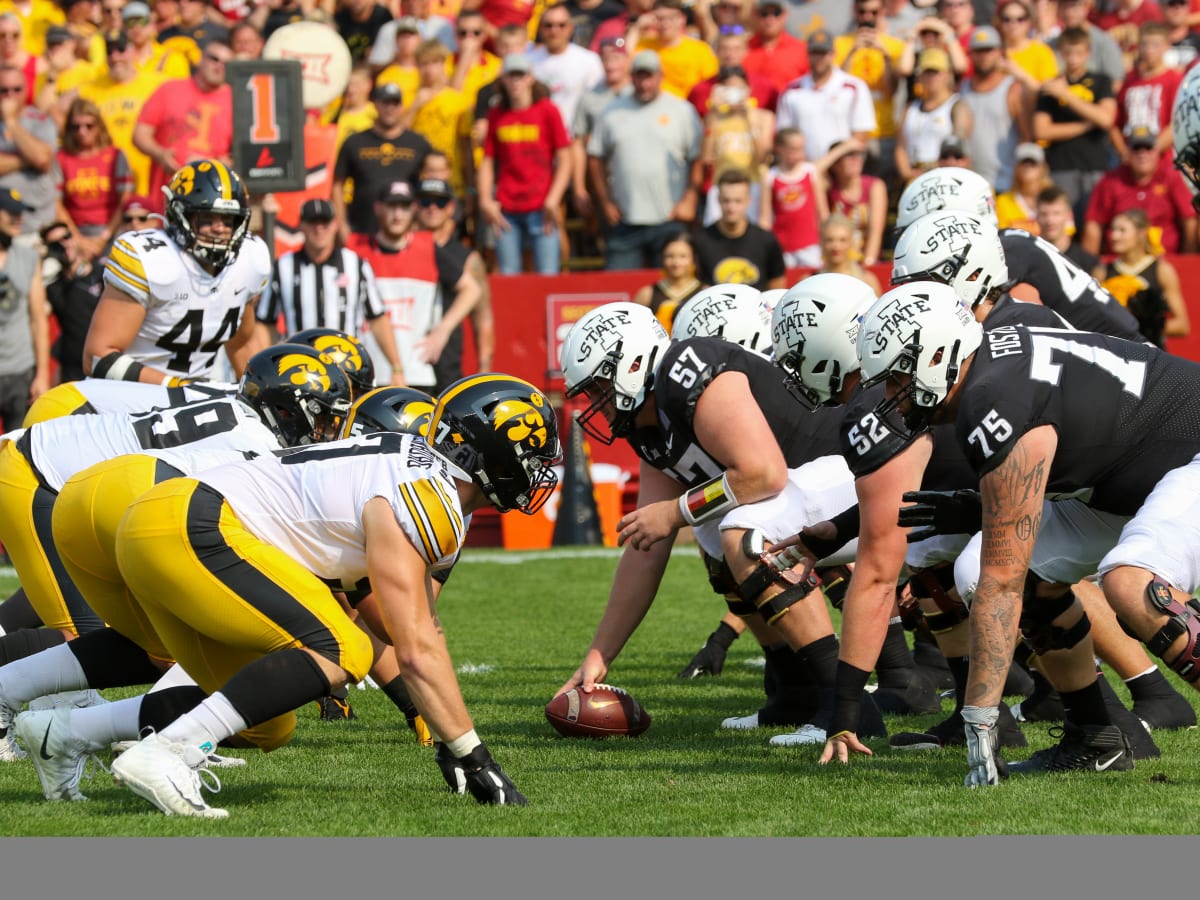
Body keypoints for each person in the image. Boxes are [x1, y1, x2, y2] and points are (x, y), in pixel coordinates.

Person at [98, 374, 559, 816]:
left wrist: (445, 736)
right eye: (533, 457)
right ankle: (169, 751)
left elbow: (393, 625)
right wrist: (474, 756)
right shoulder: (428, 494)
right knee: (342, 650)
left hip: (157, 519)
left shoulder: (406, 462)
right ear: (497, 456)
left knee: (267, 724)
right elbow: (416, 645)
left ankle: (63, 735)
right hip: (196, 525)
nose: (538, 472)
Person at [855, 279, 1200, 786]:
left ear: (937, 356)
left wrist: (979, 718)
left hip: (1180, 458)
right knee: (974, 569)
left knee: (1130, 584)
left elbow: (1004, 580)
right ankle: (1095, 736)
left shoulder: (994, 398)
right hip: (1124, 482)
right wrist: (982, 510)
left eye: (898, 378)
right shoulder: (992, 372)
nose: (892, 397)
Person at [0, 343, 356, 767]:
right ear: (285, 409)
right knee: (92, 628)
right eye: (322, 415)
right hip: (42, 475)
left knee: (161, 644)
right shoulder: (258, 446)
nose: (328, 429)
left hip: (94, 487)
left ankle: (171, 737)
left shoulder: (237, 413)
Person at [555, 301, 884, 747]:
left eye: (598, 389)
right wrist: (599, 654)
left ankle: (847, 705)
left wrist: (674, 512)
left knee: (745, 532)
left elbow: (763, 472)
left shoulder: (690, 371)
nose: (596, 405)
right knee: (715, 535)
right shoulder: (648, 424)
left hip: (856, 478)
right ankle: (795, 691)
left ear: (631, 365)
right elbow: (645, 545)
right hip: (810, 496)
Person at [81, 158, 271, 385]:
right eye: (207, 218)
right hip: (129, 400)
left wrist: (260, 395)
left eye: (228, 220)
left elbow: (242, 344)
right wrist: (175, 387)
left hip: (197, 400)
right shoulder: (151, 260)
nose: (219, 229)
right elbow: (97, 357)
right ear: (179, 216)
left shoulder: (248, 259)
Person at [347, 180, 481, 392]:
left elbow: (472, 289)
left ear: (413, 210)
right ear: (378, 208)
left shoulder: (427, 247)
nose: (398, 215)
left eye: (404, 207)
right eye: (391, 207)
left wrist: (442, 332)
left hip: (416, 371)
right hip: (365, 372)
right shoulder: (354, 249)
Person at [253, 198, 404, 384]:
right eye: (312, 222)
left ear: (335, 225)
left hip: (349, 369)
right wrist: (267, 368)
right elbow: (265, 322)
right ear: (301, 226)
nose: (319, 229)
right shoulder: (283, 266)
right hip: (300, 371)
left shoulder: (355, 265)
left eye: (325, 222)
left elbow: (378, 319)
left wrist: (396, 367)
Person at [588, 49, 703, 270]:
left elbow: (696, 157)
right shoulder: (611, 112)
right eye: (639, 76)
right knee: (618, 291)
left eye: (649, 76)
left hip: (669, 217)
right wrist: (605, 201)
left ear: (660, 77)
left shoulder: (682, 110)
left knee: (675, 293)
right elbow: (595, 157)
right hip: (625, 219)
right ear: (631, 77)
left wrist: (690, 196)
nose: (644, 83)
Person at [476, 52, 572, 275]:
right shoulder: (496, 115)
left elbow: (565, 157)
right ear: (503, 80)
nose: (516, 81)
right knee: (509, 276)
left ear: (530, 78)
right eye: (511, 76)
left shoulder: (548, 110)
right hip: (507, 208)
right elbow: (488, 161)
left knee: (548, 275)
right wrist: (485, 200)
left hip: (542, 206)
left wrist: (554, 198)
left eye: (520, 75)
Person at [131, 38, 234, 214]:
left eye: (226, 63)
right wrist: (160, 154)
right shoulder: (169, 90)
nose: (219, 67)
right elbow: (140, 134)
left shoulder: (235, 100)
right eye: (214, 59)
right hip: (166, 195)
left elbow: (242, 155)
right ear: (201, 58)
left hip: (212, 202)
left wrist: (222, 164)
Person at [1034, 24, 1118, 226]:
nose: (1073, 58)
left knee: (1094, 222)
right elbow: (1042, 130)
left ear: (1087, 53)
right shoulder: (1050, 85)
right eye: (1068, 52)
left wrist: (1066, 95)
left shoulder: (1101, 81)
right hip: (1061, 165)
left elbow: (1106, 119)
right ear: (1061, 52)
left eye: (1079, 52)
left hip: (1095, 164)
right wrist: (1087, 124)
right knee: (1064, 225)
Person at [414, 175, 495, 375]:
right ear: (415, 206)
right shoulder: (403, 249)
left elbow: (483, 319)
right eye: (425, 201)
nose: (432, 208)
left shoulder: (468, 258)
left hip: (447, 363)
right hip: (408, 361)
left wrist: (484, 371)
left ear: (451, 208)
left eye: (440, 202)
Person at [332, 81, 433, 241]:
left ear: (401, 107)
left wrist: (422, 222)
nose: (390, 109)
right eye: (385, 103)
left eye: (395, 103)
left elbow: (431, 183)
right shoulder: (355, 142)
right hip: (362, 231)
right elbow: (337, 184)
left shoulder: (418, 143)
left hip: (405, 233)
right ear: (375, 105)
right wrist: (341, 223)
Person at [1082, 124, 1198, 255]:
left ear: (1157, 150)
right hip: (1120, 262)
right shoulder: (1110, 181)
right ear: (1128, 152)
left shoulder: (1172, 176)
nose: (1142, 153)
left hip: (1164, 259)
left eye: (1148, 147)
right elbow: (1094, 224)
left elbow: (1189, 221)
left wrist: (1188, 261)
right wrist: (1089, 265)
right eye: (1136, 148)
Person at [1095, 207, 1190, 348]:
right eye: (1113, 230)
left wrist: (1144, 326)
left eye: (1122, 230)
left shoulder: (1161, 270)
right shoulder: (1101, 272)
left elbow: (1182, 325)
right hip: (1113, 351)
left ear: (1141, 233)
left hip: (1150, 353)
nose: (1114, 236)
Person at [776, 29, 876, 161]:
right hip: (804, 168)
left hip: (842, 168)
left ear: (833, 54)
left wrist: (826, 164)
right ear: (808, 54)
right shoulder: (792, 91)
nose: (819, 59)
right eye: (815, 53)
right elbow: (785, 136)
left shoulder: (853, 87)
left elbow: (861, 135)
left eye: (824, 53)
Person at [53, 96, 132, 261]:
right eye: (76, 127)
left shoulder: (115, 156)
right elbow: (56, 204)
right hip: (75, 230)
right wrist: (78, 239)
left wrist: (105, 236)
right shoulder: (62, 158)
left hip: (110, 228)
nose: (82, 132)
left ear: (99, 126)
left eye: (89, 126)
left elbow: (125, 200)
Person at [697, 63, 773, 226]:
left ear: (748, 90)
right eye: (728, 89)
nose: (733, 94)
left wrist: (751, 121)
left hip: (753, 184)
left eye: (738, 89)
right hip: (722, 186)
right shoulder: (715, 118)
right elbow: (706, 158)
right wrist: (712, 118)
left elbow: (763, 159)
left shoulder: (763, 117)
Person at [0, 186, 48, 430]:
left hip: (21, 372)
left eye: (21, 212)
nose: (19, 219)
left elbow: (38, 319)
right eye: (11, 212)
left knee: (15, 455)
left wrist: (42, 374)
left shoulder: (28, 257)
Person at [692, 168, 786, 290]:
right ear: (718, 200)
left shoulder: (766, 241)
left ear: (748, 201)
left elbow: (776, 291)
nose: (731, 207)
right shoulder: (700, 240)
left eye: (738, 201)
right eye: (726, 200)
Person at [960, 24, 1025, 195]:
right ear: (971, 54)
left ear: (999, 52)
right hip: (970, 184)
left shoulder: (1012, 89)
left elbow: (1026, 137)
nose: (984, 56)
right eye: (979, 50)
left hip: (1005, 182)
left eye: (989, 50)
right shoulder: (961, 89)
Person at [895, 47, 972, 183]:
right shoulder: (910, 108)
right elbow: (901, 146)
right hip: (914, 176)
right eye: (926, 72)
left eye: (936, 72)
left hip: (945, 176)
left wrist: (929, 170)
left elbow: (958, 146)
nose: (931, 77)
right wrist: (907, 172)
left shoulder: (957, 105)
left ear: (948, 74)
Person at [40, 219, 102, 383]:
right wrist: (38, 261)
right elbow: (37, 316)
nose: (64, 245)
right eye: (55, 244)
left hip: (107, 366)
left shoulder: (103, 275)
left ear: (75, 238)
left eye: (66, 237)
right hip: (74, 372)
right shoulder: (53, 288)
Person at [0, 61, 55, 235]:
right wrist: (26, 159)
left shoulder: (40, 120)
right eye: (4, 90)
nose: (10, 95)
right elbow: (36, 157)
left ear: (26, 90)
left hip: (39, 222)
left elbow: (42, 160)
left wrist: (11, 122)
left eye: (17, 89)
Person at [759, 128, 825, 270]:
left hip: (811, 245)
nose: (798, 154)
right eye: (792, 149)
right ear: (779, 149)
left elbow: (822, 212)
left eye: (801, 149)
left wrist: (825, 241)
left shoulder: (810, 172)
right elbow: (764, 218)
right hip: (782, 246)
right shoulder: (771, 176)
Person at [824, 139, 886, 267]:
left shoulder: (874, 185)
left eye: (858, 155)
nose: (856, 159)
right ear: (835, 164)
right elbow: (812, 174)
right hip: (837, 264)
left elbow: (876, 229)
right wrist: (842, 148)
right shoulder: (829, 188)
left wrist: (868, 264)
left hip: (867, 261)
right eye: (848, 155)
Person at [631, 229, 706, 332]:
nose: (676, 263)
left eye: (683, 256)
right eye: (670, 256)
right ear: (662, 259)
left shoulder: (705, 294)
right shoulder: (646, 294)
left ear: (693, 259)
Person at [1035, 183, 1099, 271]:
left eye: (1056, 213)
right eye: (1044, 214)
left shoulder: (1087, 264)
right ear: (1036, 216)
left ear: (1069, 215)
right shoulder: (1027, 259)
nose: (1050, 221)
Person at [816, 213, 882, 294]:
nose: (836, 246)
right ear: (822, 243)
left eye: (842, 240)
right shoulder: (810, 282)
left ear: (851, 242)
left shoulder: (868, 281)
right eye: (830, 240)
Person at [995, 142, 1053, 233]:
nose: (1027, 167)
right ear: (1016, 168)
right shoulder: (1002, 201)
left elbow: (1066, 233)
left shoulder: (1054, 199)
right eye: (1023, 163)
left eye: (1032, 163)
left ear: (1043, 168)